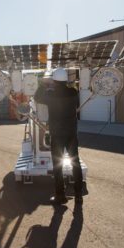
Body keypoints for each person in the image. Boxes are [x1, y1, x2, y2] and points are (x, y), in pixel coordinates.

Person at [34, 68, 83, 205]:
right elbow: (76, 102)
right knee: (75, 163)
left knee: (58, 165)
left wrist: (43, 84)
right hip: (72, 133)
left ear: (54, 80)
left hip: (57, 135)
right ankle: (79, 195)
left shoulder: (50, 95)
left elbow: (37, 97)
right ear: (65, 80)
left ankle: (60, 195)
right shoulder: (74, 93)